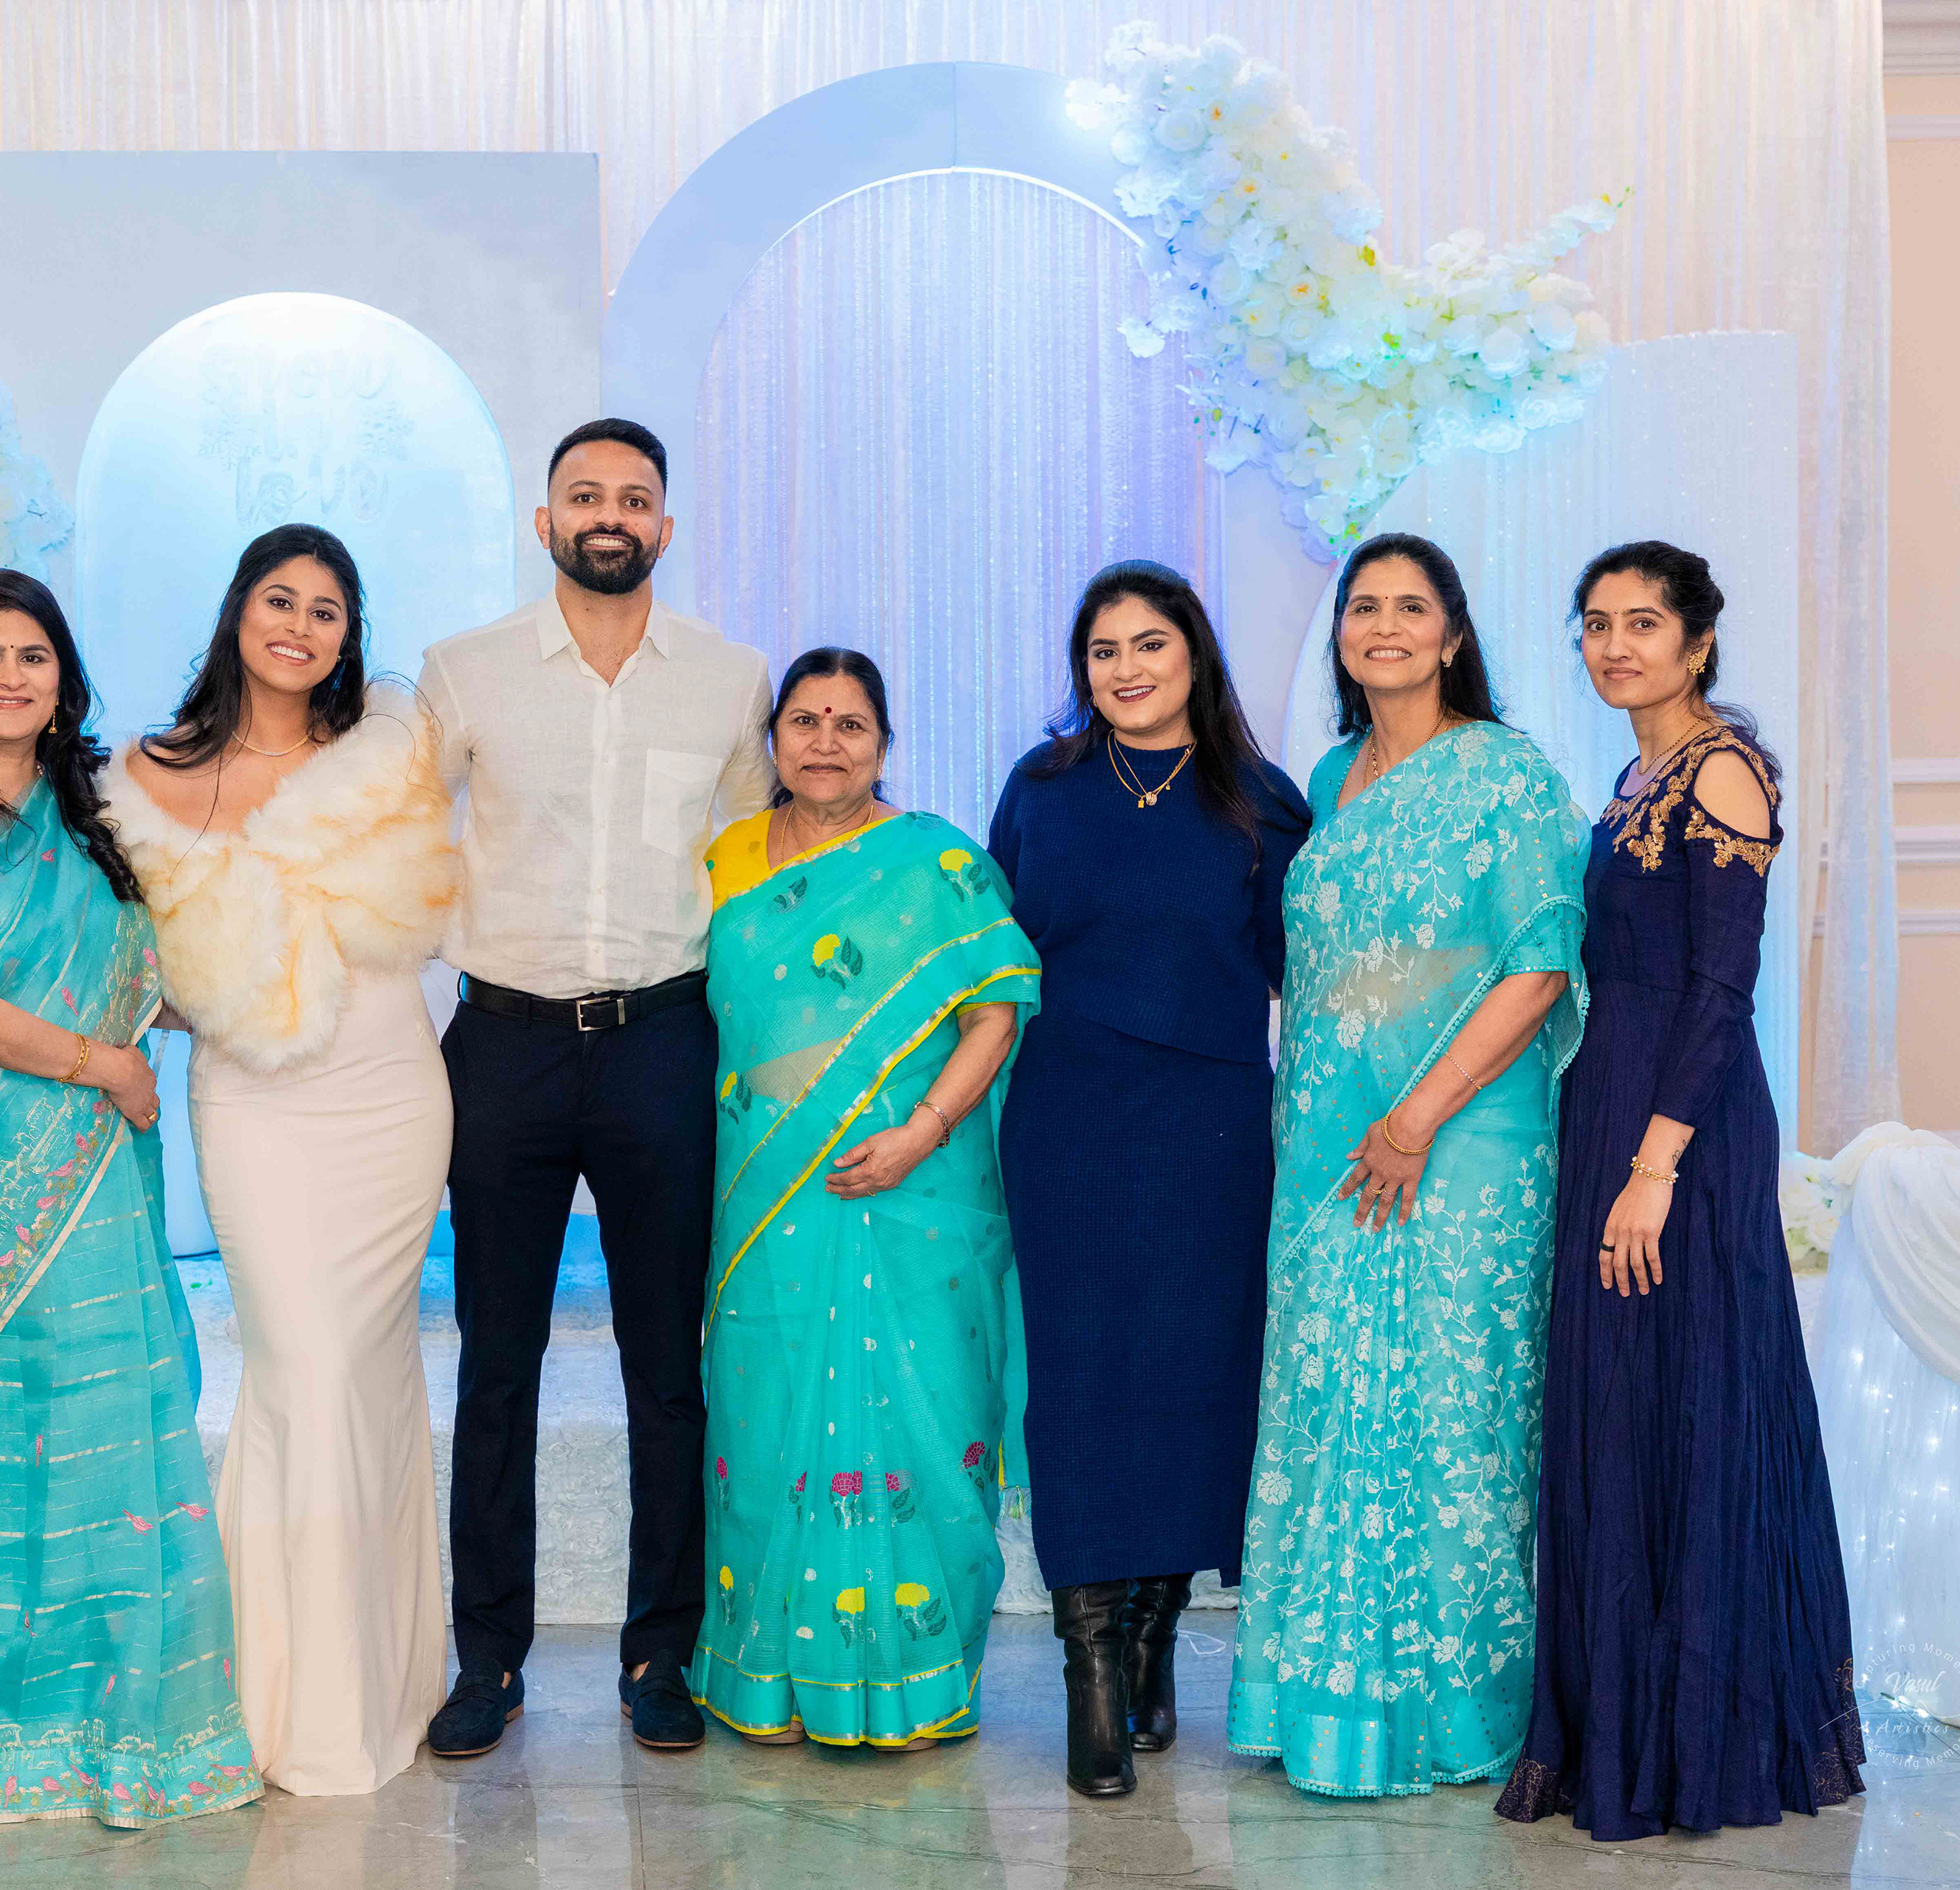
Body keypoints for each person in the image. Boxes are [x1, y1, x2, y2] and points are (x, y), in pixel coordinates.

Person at [0, 570, 260, 1824]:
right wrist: (105, 1065)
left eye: (33, 655)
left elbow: (152, 967)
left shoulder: (93, 812)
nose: (10, 676)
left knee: (110, 1429)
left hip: (100, 1175)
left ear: (61, 679)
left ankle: (132, 1727)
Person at [418, 419, 775, 1758]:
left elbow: (752, 865)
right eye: (585, 495)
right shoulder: (465, 672)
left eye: (634, 497)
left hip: (664, 1041)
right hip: (503, 1041)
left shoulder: (730, 680)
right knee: (496, 1363)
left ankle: (661, 1654)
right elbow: (395, 840)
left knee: (666, 1365)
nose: (609, 514)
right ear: (547, 520)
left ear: (665, 526)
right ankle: (488, 1660)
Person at [1497, 542, 1863, 1838]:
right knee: (1624, 1409)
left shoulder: (1721, 770)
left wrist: (1655, 1167)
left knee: (1690, 1403)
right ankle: (1626, 1729)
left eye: (1643, 623)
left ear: (1698, 642)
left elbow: (1722, 990)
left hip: (1683, 1132)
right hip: (1614, 1105)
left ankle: (1701, 1741)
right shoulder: (1634, 776)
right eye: (1596, 624)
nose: (1615, 646)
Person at [1229, 532, 1587, 1801]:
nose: (1383, 625)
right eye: (1363, 606)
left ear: (1452, 634)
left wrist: (1419, 1116)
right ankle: (1334, 1705)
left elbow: (1537, 963)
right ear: (1342, 635)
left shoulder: (1507, 774)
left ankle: (1450, 1710)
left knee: (1451, 1413)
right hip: (1331, 1143)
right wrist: (1362, 1122)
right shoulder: (1333, 779)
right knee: (1330, 1403)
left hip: (1465, 1143)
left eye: (1410, 607)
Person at [103, 523, 459, 1796]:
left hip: (389, 1088)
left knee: (366, 1373)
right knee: (299, 1364)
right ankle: (276, 1694)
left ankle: (386, 1682)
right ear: (237, 611)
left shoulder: (389, 753)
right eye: (279, 599)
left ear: (349, 636)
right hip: (253, 1100)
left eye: (326, 609)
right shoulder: (141, 773)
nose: (300, 625)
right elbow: (117, 949)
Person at [987, 561, 1311, 1798]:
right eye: (1104, 649)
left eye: (1149, 644)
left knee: (1190, 1378)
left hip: (1210, 1128)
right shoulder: (1043, 787)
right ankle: (1090, 1671)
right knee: (1079, 1384)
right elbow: (996, 952)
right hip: (1067, 1114)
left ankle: (1154, 1634)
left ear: (1194, 655)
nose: (1126, 668)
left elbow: (1307, 972)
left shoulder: (1261, 802)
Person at [689, 647, 1038, 1750]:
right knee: (763, 1412)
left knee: (922, 1415)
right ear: (773, 739)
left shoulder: (936, 861)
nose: (826, 742)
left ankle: (911, 1678)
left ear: (885, 743)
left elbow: (995, 1010)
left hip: (912, 1187)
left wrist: (922, 1130)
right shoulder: (726, 859)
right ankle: (767, 1676)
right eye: (805, 720)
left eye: (851, 723)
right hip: (763, 1193)